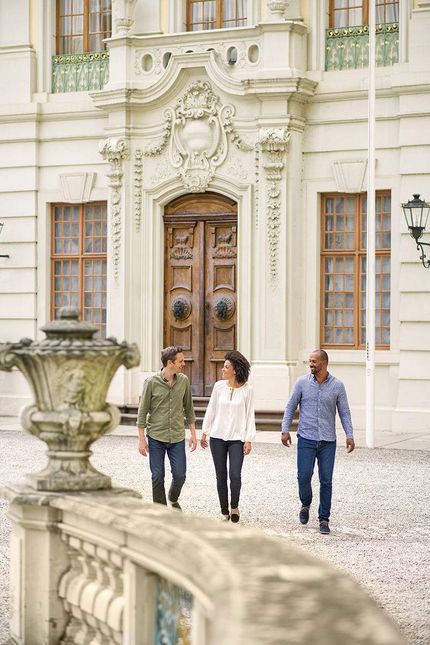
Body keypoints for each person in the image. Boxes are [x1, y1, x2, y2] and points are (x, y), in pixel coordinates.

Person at [281, 349, 355, 535]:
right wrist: (285, 429)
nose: (311, 364)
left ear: (324, 362)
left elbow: (344, 412)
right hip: (306, 437)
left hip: (328, 441)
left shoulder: (337, 386)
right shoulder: (302, 383)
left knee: (326, 480)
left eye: (314, 361)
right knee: (303, 476)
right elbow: (291, 406)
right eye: (309, 361)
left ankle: (324, 518)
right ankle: (306, 503)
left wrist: (350, 434)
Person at [136, 346, 197, 509]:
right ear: (170, 363)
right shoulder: (151, 382)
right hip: (156, 437)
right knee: (157, 476)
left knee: (180, 475)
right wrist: (142, 440)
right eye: (181, 361)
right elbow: (142, 413)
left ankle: (172, 496)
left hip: (177, 437)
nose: (183, 364)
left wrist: (193, 434)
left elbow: (189, 409)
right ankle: (160, 511)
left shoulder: (183, 380)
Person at [201, 350, 256, 523]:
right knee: (220, 474)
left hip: (237, 439)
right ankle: (224, 509)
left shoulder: (248, 390)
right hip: (217, 437)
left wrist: (249, 439)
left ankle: (234, 506)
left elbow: (250, 415)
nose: (222, 369)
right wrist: (205, 431)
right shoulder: (218, 387)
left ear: (235, 369)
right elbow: (211, 409)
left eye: (226, 367)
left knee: (235, 474)